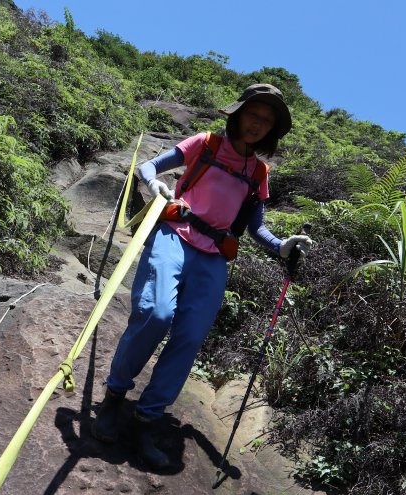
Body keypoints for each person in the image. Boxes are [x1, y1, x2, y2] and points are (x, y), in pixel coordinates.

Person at [92, 84, 312, 468]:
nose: (257, 124)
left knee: (190, 336)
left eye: (266, 121)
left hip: (214, 255)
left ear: (272, 131)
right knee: (156, 313)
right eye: (253, 115)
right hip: (173, 236)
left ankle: (148, 418)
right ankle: (114, 398)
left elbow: (256, 228)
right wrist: (154, 184)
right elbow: (148, 166)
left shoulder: (258, 172)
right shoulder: (206, 143)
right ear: (238, 113)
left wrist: (281, 246)